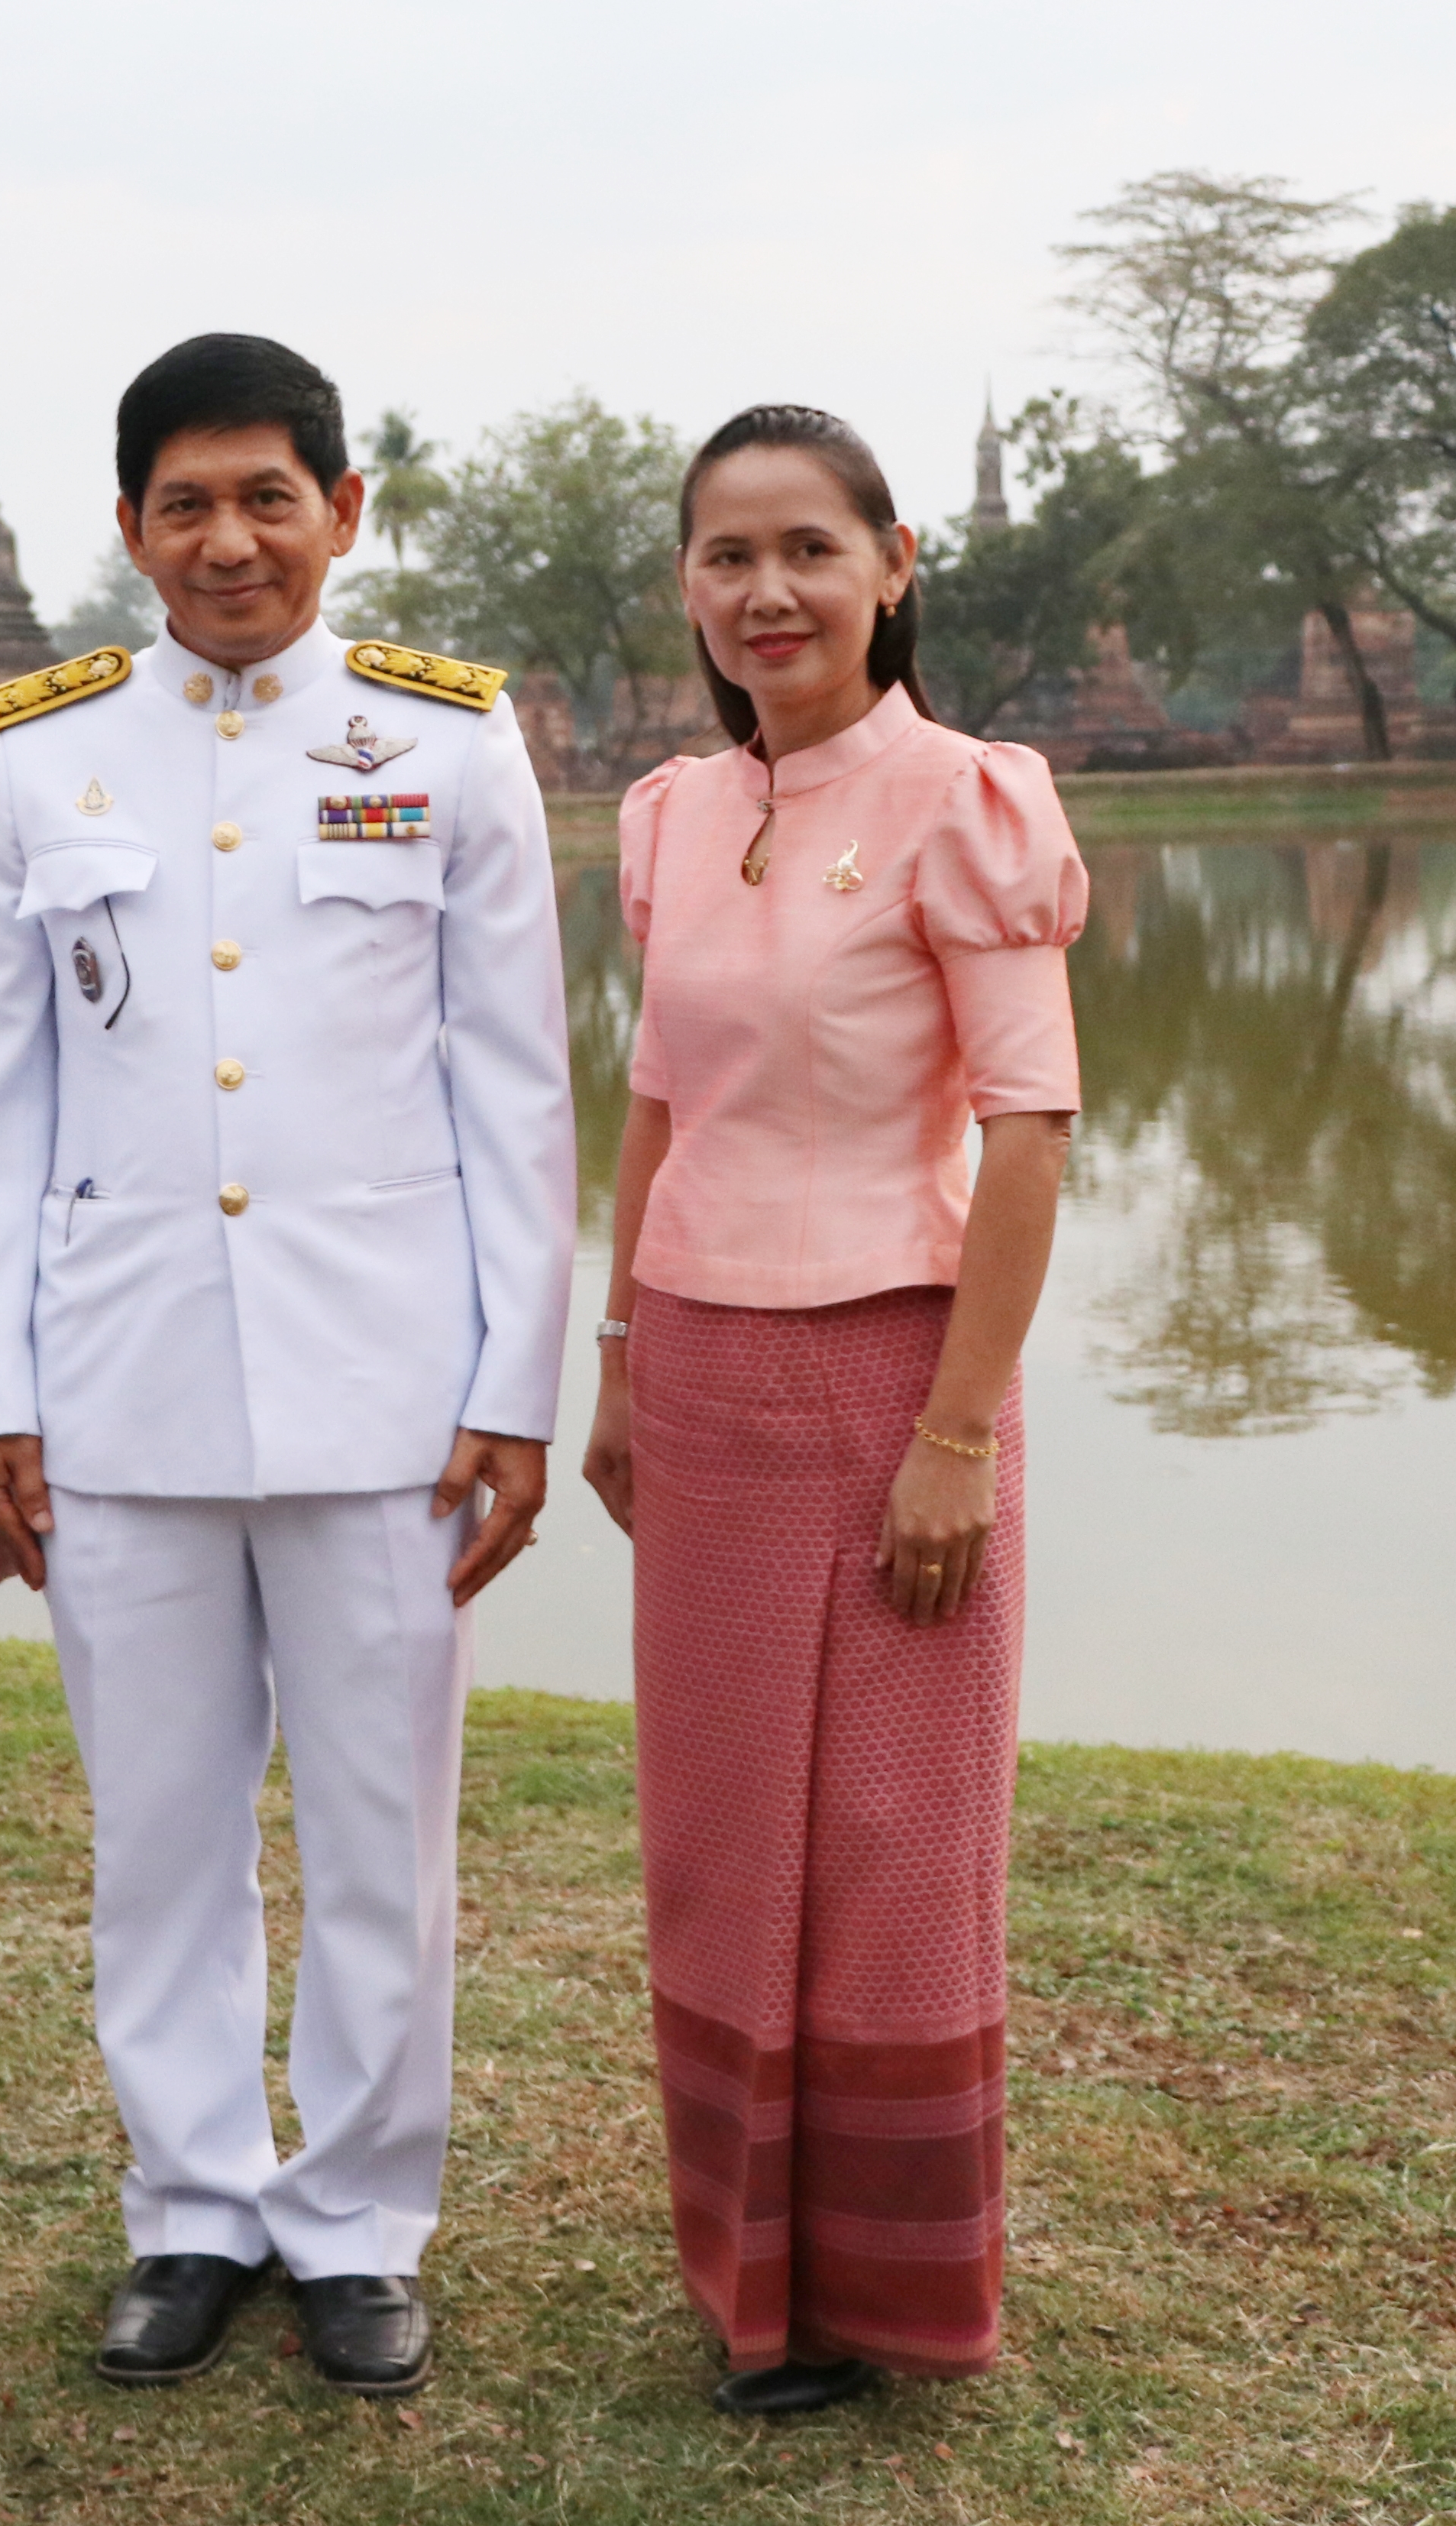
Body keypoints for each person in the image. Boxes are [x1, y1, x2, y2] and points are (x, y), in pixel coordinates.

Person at [0, 332, 574, 2399]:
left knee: (385, 1835)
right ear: (130, 528)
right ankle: (194, 2205)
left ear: (342, 512)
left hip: (387, 1391)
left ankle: (363, 2218)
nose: (229, 541)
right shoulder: (39, 754)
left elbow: (516, 1092)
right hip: (115, 1389)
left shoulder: (446, 740)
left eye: (268, 498)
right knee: (160, 1838)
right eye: (187, 504)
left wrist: (515, 1385)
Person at [577, 403, 1086, 2414]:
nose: (767, 591)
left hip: (898, 1374)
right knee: (719, 1838)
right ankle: (743, 2278)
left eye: (808, 548)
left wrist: (961, 1433)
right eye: (728, 556)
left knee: (891, 1840)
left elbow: (1031, 1134)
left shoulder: (968, 800)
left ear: (893, 567)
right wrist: (620, 1354)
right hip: (706, 1381)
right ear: (687, 588)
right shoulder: (670, 816)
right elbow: (657, 1102)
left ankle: (882, 2293)